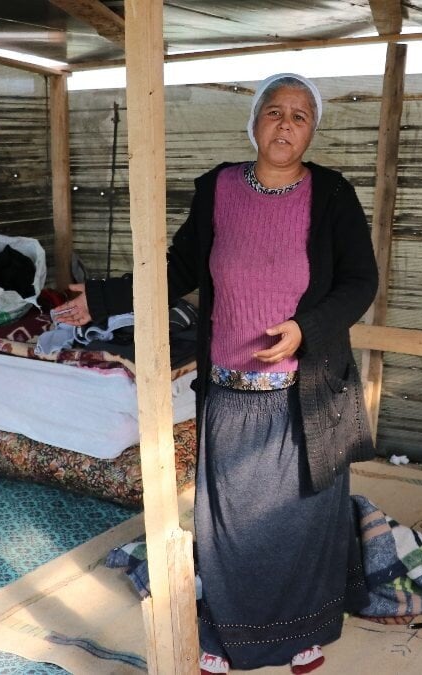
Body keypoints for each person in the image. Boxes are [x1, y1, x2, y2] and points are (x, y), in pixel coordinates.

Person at [55, 73, 378, 674]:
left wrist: (306, 328)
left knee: (303, 517)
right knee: (230, 522)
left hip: (305, 392)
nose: (285, 124)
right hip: (231, 390)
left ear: (312, 131)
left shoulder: (332, 194)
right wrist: (102, 299)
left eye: (300, 116)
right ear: (254, 121)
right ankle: (227, 634)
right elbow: (179, 268)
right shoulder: (219, 188)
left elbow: (362, 282)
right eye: (275, 111)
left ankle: (301, 633)